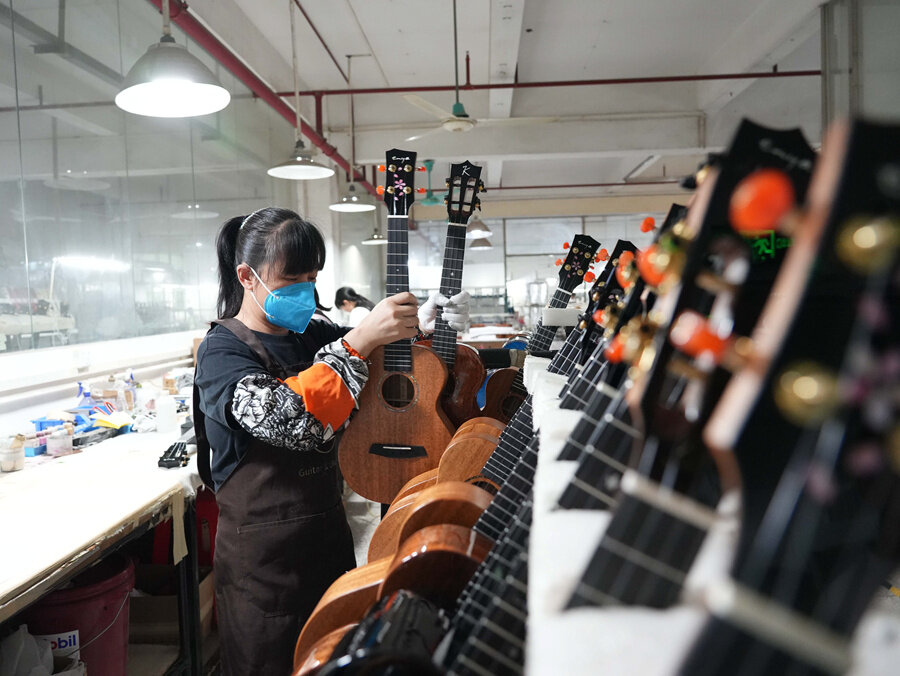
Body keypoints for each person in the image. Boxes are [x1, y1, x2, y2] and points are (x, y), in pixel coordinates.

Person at [193, 207, 433, 675]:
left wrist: (421, 326)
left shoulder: (311, 335)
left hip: (327, 543)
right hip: (263, 567)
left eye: (312, 278)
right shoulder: (222, 352)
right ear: (246, 276)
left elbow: (385, 364)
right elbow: (293, 421)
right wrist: (358, 341)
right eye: (292, 279)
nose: (306, 291)